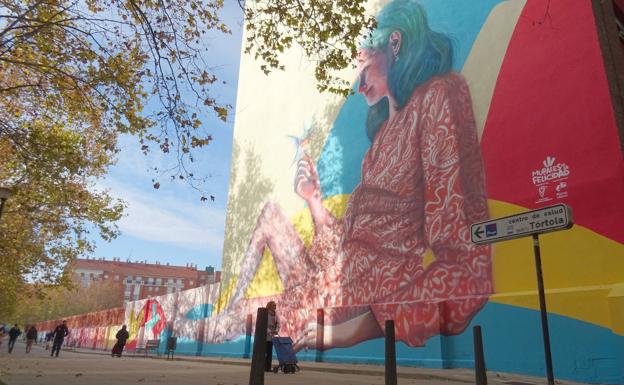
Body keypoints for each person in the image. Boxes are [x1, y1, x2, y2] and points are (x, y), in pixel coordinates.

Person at [212, 0, 492, 352]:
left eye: (363, 69)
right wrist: (313, 199)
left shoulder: (438, 98)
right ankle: (230, 306)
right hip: (337, 278)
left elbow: (467, 271)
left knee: (250, 315)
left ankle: (234, 321)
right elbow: (348, 243)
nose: (359, 86)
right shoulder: (378, 144)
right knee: (267, 221)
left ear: (395, 43)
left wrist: (350, 332)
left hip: (368, 293)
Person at [265, 301, 280, 372]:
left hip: (271, 337)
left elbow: (278, 323)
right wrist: (269, 331)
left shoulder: (275, 314)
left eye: (275, 305)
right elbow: (264, 324)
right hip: (265, 336)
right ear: (270, 306)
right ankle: (264, 367)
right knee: (265, 353)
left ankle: (268, 367)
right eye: (274, 305)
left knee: (269, 352)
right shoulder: (266, 314)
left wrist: (276, 330)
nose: (275, 307)